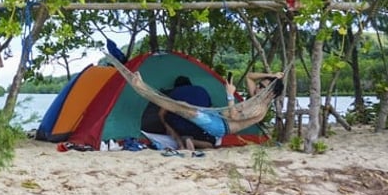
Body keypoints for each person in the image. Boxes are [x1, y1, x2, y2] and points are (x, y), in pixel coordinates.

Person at [108, 56, 284, 147]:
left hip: (220, 126)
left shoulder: (260, 109)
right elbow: (250, 77)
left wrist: (230, 95)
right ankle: (144, 88)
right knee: (183, 106)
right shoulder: (256, 97)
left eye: (264, 88)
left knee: (184, 110)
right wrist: (271, 76)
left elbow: (234, 116)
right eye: (261, 86)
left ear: (271, 94)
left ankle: (143, 89)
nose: (259, 88)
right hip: (215, 115)